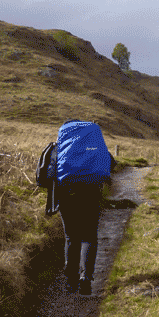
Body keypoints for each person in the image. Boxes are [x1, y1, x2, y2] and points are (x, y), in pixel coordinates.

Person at [55, 119, 114, 296]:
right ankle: (85, 279)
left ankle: (70, 280)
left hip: (66, 191)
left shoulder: (62, 145)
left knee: (71, 236)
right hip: (91, 191)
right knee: (89, 235)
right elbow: (110, 162)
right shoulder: (93, 144)